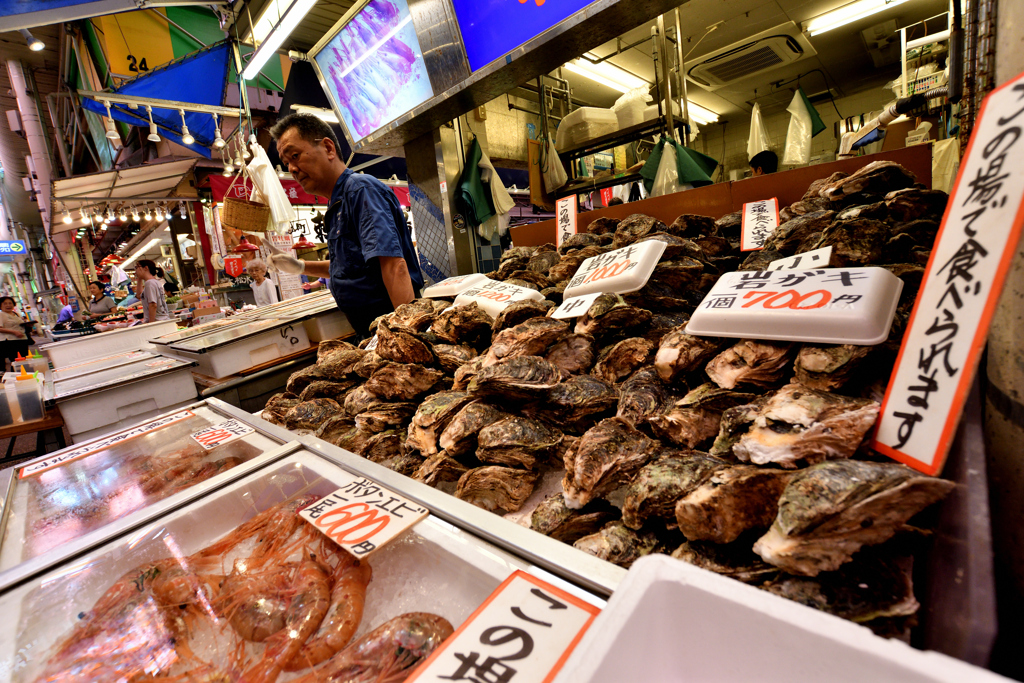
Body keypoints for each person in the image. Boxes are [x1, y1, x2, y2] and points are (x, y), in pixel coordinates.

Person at [268, 113, 423, 338]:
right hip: (371, 332)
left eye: (295, 155)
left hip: (392, 328)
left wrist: (407, 336)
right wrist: (301, 266)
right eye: (287, 162)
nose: (292, 168)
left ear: (329, 148)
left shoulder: (361, 191)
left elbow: (393, 266)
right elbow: (349, 267)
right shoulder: (336, 203)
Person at [0, 296, 29, 369]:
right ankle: (17, 377)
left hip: (22, 340)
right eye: (5, 304)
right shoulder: (1, 315)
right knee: (16, 363)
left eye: (10, 303)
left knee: (24, 362)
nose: (8, 305)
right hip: (10, 342)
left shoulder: (15, 314)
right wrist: (14, 332)